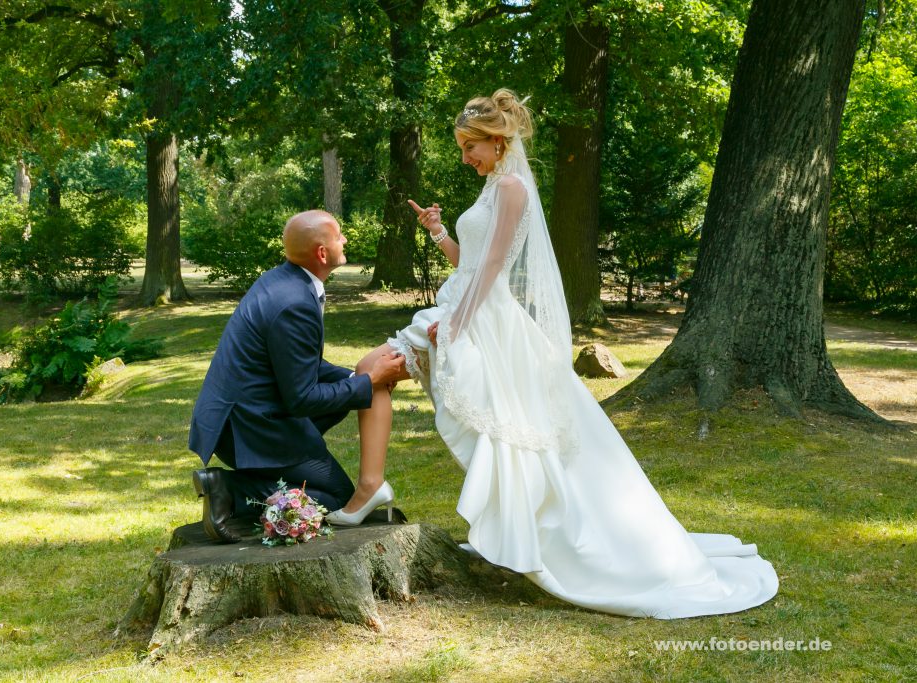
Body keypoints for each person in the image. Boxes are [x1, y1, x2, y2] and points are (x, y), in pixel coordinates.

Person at [351, 89, 779, 619]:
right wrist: (438, 231)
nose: (466, 158)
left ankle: (385, 492)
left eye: (471, 147)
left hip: (482, 316)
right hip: (464, 305)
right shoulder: (492, 188)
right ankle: (400, 495)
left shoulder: (511, 189)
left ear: (498, 140)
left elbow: (494, 269)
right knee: (407, 385)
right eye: (463, 148)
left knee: (387, 375)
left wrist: (457, 325)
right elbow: (470, 263)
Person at [188, 210, 406, 542]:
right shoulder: (294, 303)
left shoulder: (284, 280)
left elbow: (302, 364)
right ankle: (229, 488)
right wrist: (368, 382)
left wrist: (355, 375)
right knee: (335, 498)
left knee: (343, 398)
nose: (345, 239)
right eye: (339, 236)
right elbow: (301, 397)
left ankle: (272, 471)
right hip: (250, 430)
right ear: (322, 253)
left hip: (241, 417)